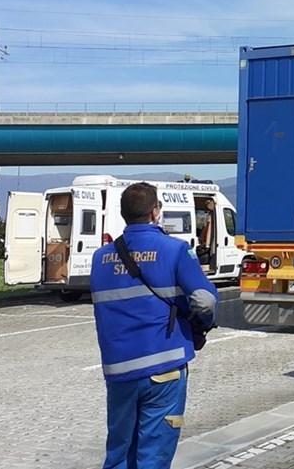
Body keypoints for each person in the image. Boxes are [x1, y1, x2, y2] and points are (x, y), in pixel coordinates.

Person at [90, 182, 218, 469]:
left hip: (118, 371)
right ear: (155, 212)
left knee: (119, 452)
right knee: (153, 455)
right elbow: (205, 301)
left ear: (123, 214)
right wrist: (203, 325)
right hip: (164, 368)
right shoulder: (175, 250)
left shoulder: (100, 258)